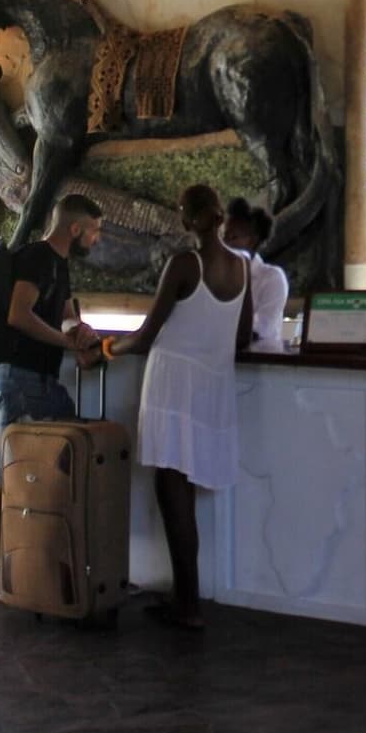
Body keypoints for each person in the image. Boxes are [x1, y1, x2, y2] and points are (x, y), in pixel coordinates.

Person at [108, 185, 251, 630]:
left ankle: (187, 603)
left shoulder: (185, 264)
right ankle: (185, 597)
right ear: (219, 216)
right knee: (180, 494)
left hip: (172, 384)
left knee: (173, 493)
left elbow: (147, 334)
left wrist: (111, 348)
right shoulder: (241, 267)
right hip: (212, 383)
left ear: (187, 219)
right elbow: (242, 338)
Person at [0, 193, 105, 426]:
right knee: (30, 459)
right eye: (94, 231)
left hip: (40, 380)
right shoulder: (38, 257)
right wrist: (67, 342)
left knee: (47, 454)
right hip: (24, 378)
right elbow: (19, 315)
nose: (97, 239)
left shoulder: (59, 262)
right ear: (75, 229)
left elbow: (67, 316)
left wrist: (81, 333)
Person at [223, 197, 289, 351]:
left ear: (252, 241)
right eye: (224, 236)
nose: (225, 243)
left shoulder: (272, 278)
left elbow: (257, 329)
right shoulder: (220, 274)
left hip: (260, 364)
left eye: (233, 237)